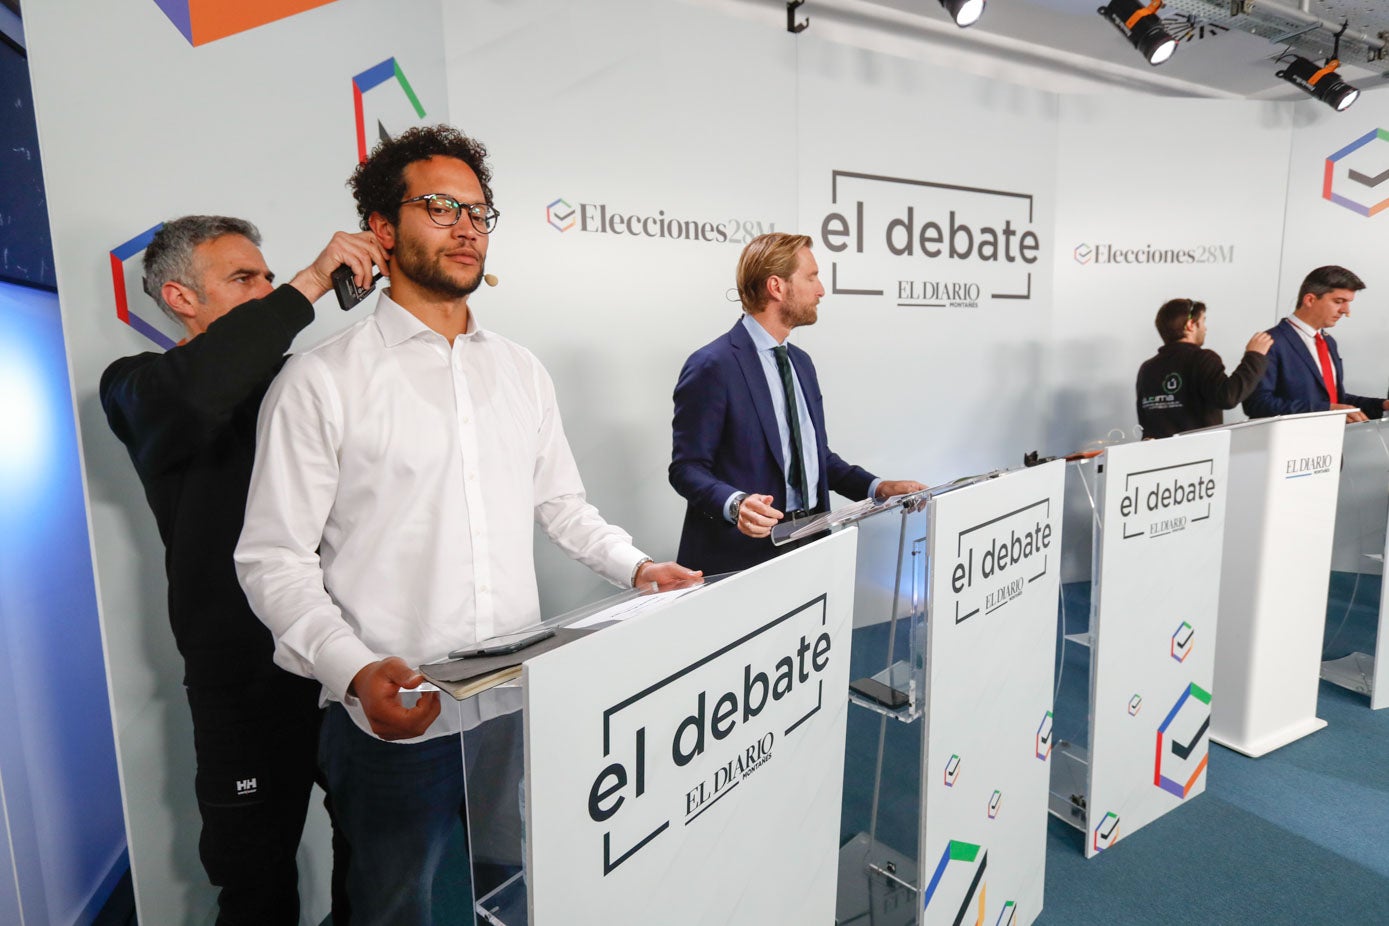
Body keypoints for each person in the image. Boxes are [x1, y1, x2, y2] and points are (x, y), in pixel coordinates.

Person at [233, 125, 700, 924]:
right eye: (439, 207)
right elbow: (272, 560)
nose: (466, 227)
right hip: (394, 710)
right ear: (382, 230)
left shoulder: (519, 369)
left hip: (515, 698)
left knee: (511, 884)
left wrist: (636, 567)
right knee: (391, 906)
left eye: (479, 213)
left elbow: (561, 505)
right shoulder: (321, 381)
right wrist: (350, 668)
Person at [100, 215, 381, 925]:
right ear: (179, 297)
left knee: (376, 861)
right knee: (254, 885)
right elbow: (203, 388)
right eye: (242, 278)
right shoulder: (139, 389)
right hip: (245, 683)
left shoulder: (306, 385)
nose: (265, 287)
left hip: (343, 661)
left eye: (267, 273)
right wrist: (309, 283)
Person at [669, 233, 925, 574]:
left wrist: (877, 487)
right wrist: (736, 504)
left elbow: (817, 459)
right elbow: (686, 469)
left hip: (811, 544)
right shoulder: (712, 366)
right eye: (812, 277)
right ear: (777, 287)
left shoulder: (800, 363)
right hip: (740, 561)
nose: (821, 290)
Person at [1244, 265, 1389, 422]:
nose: (1346, 311)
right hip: (1288, 444)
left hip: (1329, 442)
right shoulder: (1271, 342)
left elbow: (1333, 400)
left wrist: (1381, 405)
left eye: (1348, 303)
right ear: (1310, 300)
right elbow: (1257, 404)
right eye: (1339, 301)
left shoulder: (1329, 342)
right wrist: (1326, 410)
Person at [1135, 298, 1272, 438]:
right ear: (1190, 325)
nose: (1205, 328)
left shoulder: (1147, 369)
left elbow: (1145, 421)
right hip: (1199, 455)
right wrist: (1254, 356)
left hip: (1156, 456)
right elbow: (1228, 396)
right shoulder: (1202, 359)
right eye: (1203, 321)